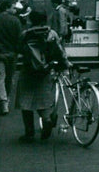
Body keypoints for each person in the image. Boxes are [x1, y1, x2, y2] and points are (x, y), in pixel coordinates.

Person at [15, 9, 70, 142]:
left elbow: (19, 50)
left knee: (25, 102)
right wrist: (64, 65)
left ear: (31, 20)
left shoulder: (25, 35)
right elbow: (60, 51)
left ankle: (29, 133)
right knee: (43, 100)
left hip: (28, 71)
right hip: (45, 71)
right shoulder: (52, 34)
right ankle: (47, 121)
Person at [0, 0, 22, 115]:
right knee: (9, 77)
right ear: (7, 8)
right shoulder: (15, 20)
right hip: (12, 53)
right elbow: (19, 37)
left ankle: (2, 101)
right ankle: (7, 99)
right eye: (13, 7)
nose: (15, 10)